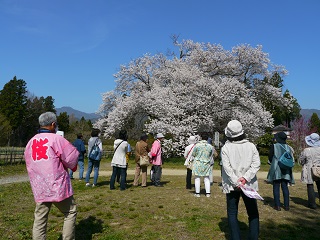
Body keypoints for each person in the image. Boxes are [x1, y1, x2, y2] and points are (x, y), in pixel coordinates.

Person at [24, 112, 79, 239]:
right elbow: (71, 158)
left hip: (40, 186)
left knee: (40, 217)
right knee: (70, 211)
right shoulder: (57, 139)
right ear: (53, 124)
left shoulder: (31, 142)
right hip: (57, 185)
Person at [221, 120, 260, 240]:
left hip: (232, 185)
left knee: (232, 213)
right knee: (253, 213)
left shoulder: (226, 148)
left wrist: (236, 181)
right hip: (249, 185)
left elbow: (227, 168)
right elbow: (256, 164)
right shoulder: (251, 146)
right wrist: (245, 178)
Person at [267, 131, 295, 211]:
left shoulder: (274, 146)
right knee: (285, 187)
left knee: (276, 186)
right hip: (286, 169)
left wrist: (273, 162)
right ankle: (286, 206)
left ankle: (277, 205)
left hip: (277, 168)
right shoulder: (288, 147)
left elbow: (270, 157)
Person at [299, 133, 320, 209]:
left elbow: (301, 160)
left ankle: (312, 204)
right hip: (319, 169)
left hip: (309, 169)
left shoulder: (307, 150)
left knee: (310, 186)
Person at [192, 133, 215, 197]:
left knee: (197, 178)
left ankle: (197, 193)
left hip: (198, 163)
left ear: (201, 138)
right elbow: (211, 154)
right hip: (206, 163)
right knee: (206, 178)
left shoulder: (197, 145)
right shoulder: (210, 146)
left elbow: (193, 154)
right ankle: (208, 193)